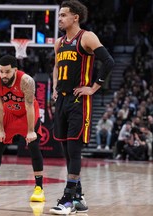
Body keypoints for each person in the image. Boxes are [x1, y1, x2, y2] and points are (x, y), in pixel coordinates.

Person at [49, 0, 114, 215]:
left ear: (75, 17)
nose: (60, 19)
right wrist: (55, 88)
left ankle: (67, 199)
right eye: (59, 15)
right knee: (67, 150)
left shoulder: (87, 37)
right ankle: (78, 197)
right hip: (63, 100)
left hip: (79, 100)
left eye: (63, 15)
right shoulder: (59, 42)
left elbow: (109, 62)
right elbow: (57, 67)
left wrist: (94, 88)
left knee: (75, 149)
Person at [0, 55, 45, 203]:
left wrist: (30, 131)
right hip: (9, 114)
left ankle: (39, 189)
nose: (4, 75)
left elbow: (29, 106)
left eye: (7, 71)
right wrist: (0, 129)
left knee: (33, 146)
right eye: (1, 71)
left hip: (27, 114)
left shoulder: (26, 81)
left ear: (15, 69)